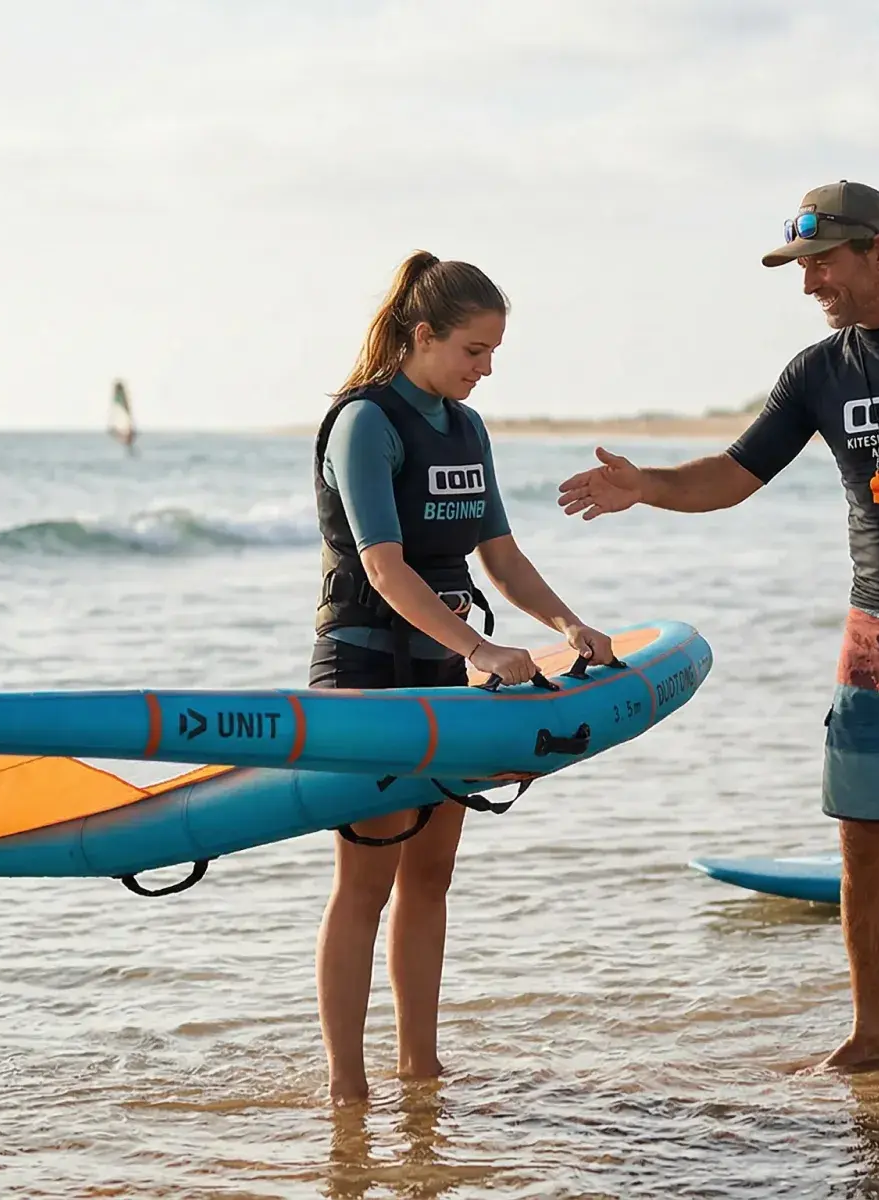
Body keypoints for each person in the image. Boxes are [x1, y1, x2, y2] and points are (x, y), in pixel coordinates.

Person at [557, 182, 879, 1087]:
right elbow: (735, 472)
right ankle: (873, 1034)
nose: (810, 285)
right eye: (802, 268)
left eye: (822, 263)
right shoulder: (817, 371)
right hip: (873, 638)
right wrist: (647, 485)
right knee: (862, 841)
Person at [311, 249, 616, 1106]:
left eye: (493, 356)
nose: (485, 372)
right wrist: (484, 654)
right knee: (365, 882)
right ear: (422, 336)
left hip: (446, 664)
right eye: (474, 353)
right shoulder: (365, 423)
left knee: (432, 875)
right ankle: (347, 1086)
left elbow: (502, 557)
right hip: (368, 671)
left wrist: (567, 626)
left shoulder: (464, 428)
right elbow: (381, 566)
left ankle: (420, 1065)